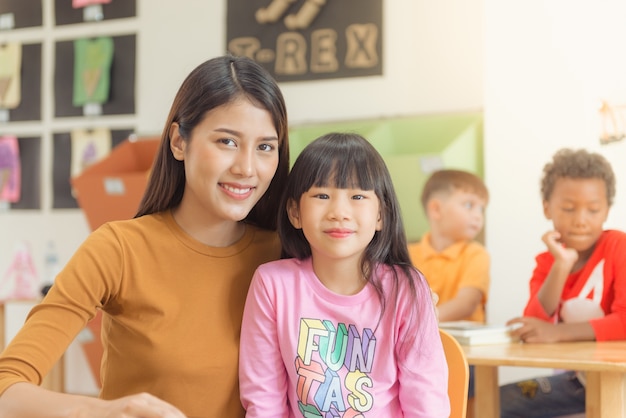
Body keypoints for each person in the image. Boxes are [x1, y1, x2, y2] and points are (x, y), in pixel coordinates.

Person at [0, 54, 290, 418]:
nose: (247, 168)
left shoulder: (286, 255)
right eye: (227, 142)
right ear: (178, 142)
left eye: (265, 147)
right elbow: (7, 388)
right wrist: (107, 412)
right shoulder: (118, 250)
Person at [238, 132, 450, 417]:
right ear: (294, 212)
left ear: (380, 215)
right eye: (322, 195)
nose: (339, 212)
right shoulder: (272, 284)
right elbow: (263, 397)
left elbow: (426, 399)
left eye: (358, 196)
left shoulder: (406, 289)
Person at [501, 148, 626, 418]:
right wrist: (562, 264)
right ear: (547, 208)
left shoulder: (619, 246)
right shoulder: (548, 261)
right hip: (578, 381)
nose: (580, 220)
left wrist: (556, 332)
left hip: (618, 381)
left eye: (593, 210)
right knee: (500, 402)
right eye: (568, 208)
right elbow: (533, 323)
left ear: (606, 211)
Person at [408, 169, 490, 323]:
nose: (478, 215)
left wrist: (422, 322)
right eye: (469, 205)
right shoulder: (407, 254)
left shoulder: (476, 254)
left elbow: (466, 303)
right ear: (436, 209)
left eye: (481, 209)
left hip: (463, 344)